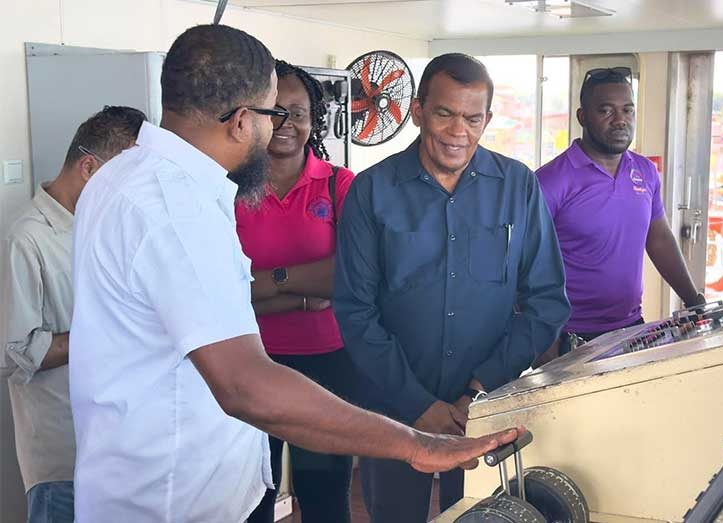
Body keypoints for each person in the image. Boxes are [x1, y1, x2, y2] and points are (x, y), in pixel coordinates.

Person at [68, 26, 521, 523]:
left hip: (140, 483)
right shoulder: (177, 211)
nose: (275, 131)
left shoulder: (120, 175)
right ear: (243, 122)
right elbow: (244, 384)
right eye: (271, 115)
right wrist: (414, 444)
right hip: (174, 501)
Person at [333, 53, 570, 523]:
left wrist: (477, 393)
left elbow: (546, 301)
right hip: (394, 410)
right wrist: (418, 404)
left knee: (482, 517)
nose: (457, 131)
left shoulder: (518, 186)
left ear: (487, 120)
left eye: (472, 118)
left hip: (488, 409)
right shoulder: (371, 190)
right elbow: (355, 310)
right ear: (417, 111)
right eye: (444, 113)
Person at [2, 106, 146, 523]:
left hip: (120, 445)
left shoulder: (109, 227)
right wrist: (108, 328)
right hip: (63, 455)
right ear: (89, 168)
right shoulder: (27, 239)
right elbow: (14, 352)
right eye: (125, 181)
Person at [237, 60, 359, 523]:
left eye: (299, 112)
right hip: (247, 362)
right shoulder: (228, 189)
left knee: (325, 497)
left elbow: (349, 276)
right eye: (275, 111)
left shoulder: (339, 185)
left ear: (314, 119)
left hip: (326, 365)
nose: (286, 123)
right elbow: (221, 288)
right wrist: (303, 295)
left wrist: (265, 283)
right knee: (251, 497)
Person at [536, 66, 704, 347]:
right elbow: (521, 261)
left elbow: (659, 239)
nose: (620, 120)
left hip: (629, 326)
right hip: (568, 334)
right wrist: (543, 340)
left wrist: (694, 300)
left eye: (628, 110)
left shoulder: (645, 171)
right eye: (606, 111)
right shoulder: (550, 180)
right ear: (582, 117)